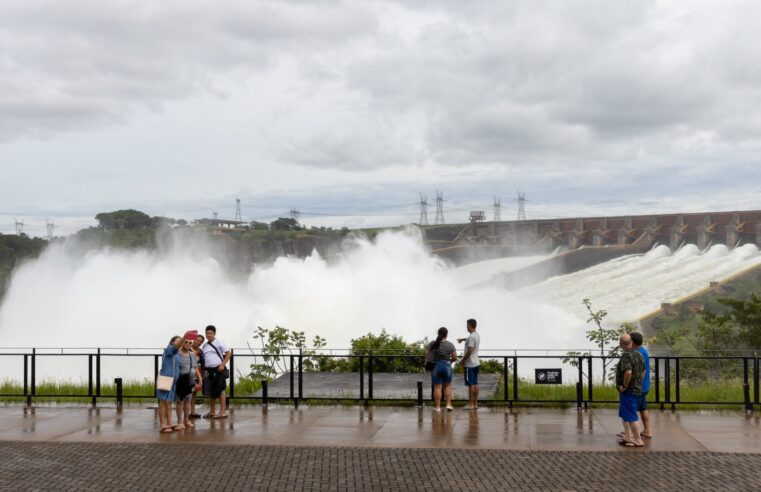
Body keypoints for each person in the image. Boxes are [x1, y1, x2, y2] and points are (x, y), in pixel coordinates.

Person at [616, 333, 645, 447]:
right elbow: (643, 370)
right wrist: (639, 382)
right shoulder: (638, 354)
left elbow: (628, 372)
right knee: (625, 414)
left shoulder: (626, 355)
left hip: (628, 391)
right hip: (636, 389)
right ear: (631, 342)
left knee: (632, 416)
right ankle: (628, 437)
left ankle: (638, 440)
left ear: (621, 344)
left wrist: (624, 385)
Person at [174, 333, 203, 430]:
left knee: (188, 401)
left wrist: (200, 378)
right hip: (180, 380)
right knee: (179, 401)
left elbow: (195, 367)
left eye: (190, 342)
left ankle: (186, 420)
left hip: (190, 380)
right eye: (186, 342)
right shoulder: (177, 354)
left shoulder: (192, 354)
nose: (188, 344)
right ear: (182, 343)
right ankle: (179, 422)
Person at [202, 325, 231, 419]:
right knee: (210, 391)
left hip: (218, 369)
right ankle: (212, 412)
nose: (209, 335)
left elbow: (228, 353)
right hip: (208, 370)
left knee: (221, 390)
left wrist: (222, 364)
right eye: (207, 333)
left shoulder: (219, 342)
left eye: (210, 333)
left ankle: (223, 412)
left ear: (214, 334)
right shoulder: (205, 345)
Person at [426, 327, 457, 412]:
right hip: (447, 367)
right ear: (446, 335)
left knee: (437, 388)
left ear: (438, 334)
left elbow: (427, 354)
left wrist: (426, 362)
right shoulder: (450, 345)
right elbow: (455, 357)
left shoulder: (433, 343)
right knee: (447, 386)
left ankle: (437, 407)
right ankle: (448, 404)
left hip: (436, 367)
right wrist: (450, 361)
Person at [157, 335, 182, 433]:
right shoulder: (170, 350)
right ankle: (162, 424)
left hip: (173, 381)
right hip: (166, 379)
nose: (181, 343)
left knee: (169, 403)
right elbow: (176, 347)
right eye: (178, 341)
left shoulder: (177, 354)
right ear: (172, 342)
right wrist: (185, 336)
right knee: (163, 402)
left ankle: (170, 423)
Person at [631, 331, 652, 438]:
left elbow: (639, 372)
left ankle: (631, 434)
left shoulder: (638, 354)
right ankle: (647, 430)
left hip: (638, 387)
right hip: (644, 386)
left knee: (631, 410)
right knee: (643, 408)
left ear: (633, 343)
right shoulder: (643, 351)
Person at [457, 318, 481, 410]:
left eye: (467, 325)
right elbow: (471, 340)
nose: (466, 327)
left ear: (470, 326)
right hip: (476, 363)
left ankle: (470, 404)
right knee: (475, 383)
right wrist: (463, 339)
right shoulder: (476, 335)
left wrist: (463, 360)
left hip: (469, 364)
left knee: (471, 384)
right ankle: (475, 404)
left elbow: (470, 350)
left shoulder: (471, 337)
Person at [189, 334, 205, 419]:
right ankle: (185, 413)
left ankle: (193, 412)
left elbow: (202, 363)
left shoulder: (200, 351)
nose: (198, 342)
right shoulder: (188, 348)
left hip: (198, 374)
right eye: (197, 340)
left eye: (200, 341)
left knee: (194, 393)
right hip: (188, 374)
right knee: (187, 394)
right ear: (193, 339)